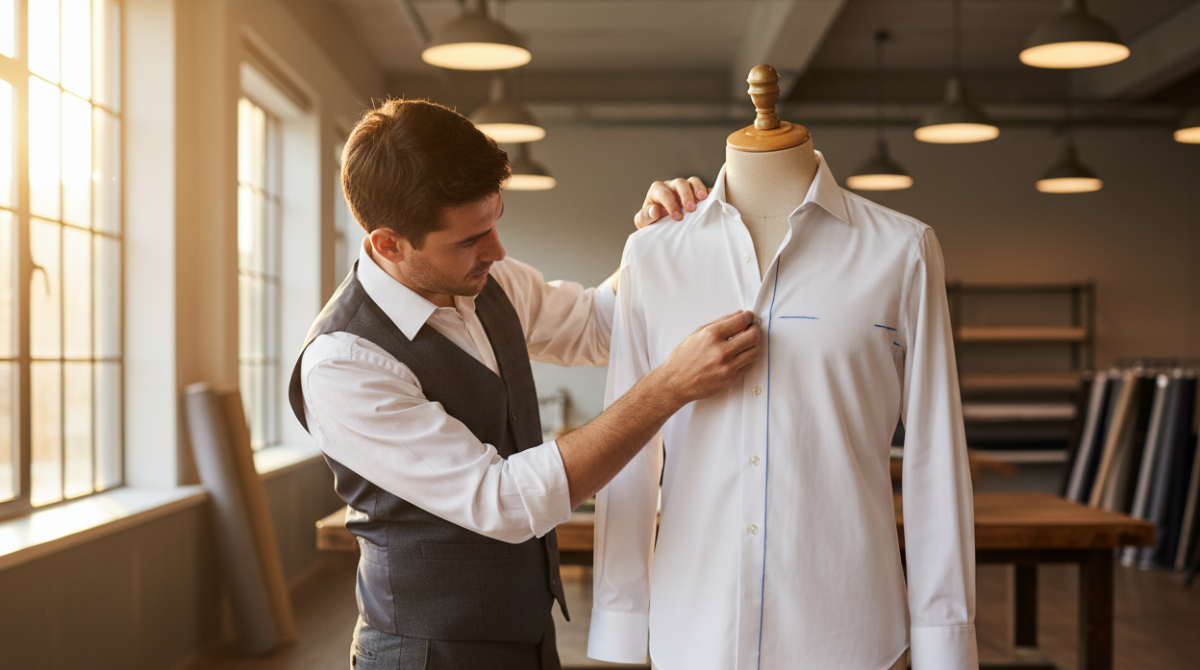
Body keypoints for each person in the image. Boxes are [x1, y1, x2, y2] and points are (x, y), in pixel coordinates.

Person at [287, 98, 761, 670]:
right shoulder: (344, 363)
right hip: (425, 655)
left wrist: (657, 247)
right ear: (388, 244)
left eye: (495, 222)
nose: (497, 251)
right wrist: (667, 390)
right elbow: (504, 500)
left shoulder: (489, 280)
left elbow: (598, 324)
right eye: (468, 240)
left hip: (528, 637)